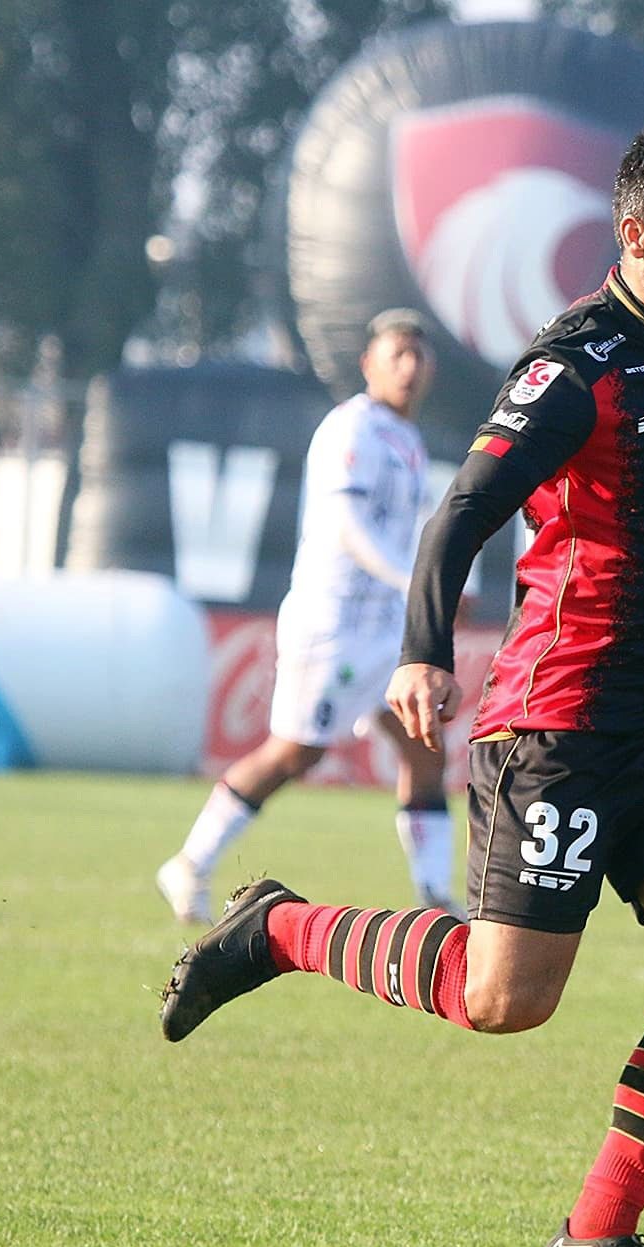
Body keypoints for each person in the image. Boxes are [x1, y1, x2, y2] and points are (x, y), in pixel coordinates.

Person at [156, 123, 644, 1247]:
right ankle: (279, 929)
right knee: (508, 1001)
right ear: (636, 233)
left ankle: (594, 1237)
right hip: (562, 726)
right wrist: (422, 653)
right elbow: (461, 514)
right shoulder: (580, 365)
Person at [156, 310, 453, 925]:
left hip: (384, 627)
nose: (409, 364)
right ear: (369, 364)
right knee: (296, 753)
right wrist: (414, 579)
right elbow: (348, 527)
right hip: (334, 623)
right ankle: (190, 862)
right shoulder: (354, 429)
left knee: (425, 747)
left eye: (418, 354)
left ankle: (434, 898)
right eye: (396, 353)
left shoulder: (409, 439)